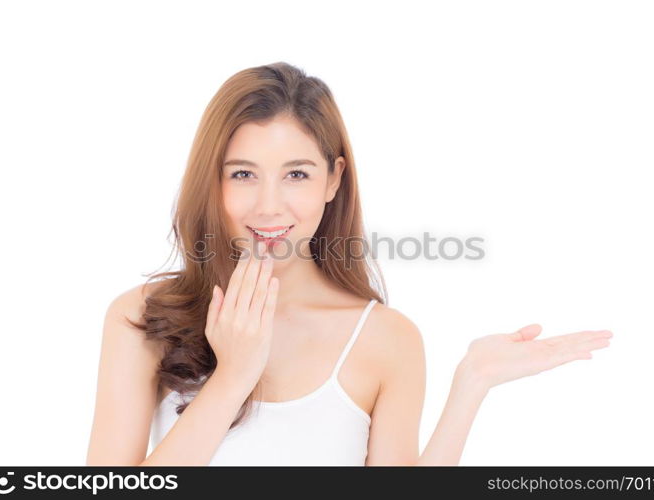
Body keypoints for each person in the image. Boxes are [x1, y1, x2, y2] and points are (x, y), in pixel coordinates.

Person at [86, 61, 613, 466]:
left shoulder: (387, 340)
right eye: (243, 174)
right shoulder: (143, 317)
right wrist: (232, 378)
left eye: (297, 174)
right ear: (212, 179)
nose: (269, 205)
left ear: (334, 180)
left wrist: (470, 384)